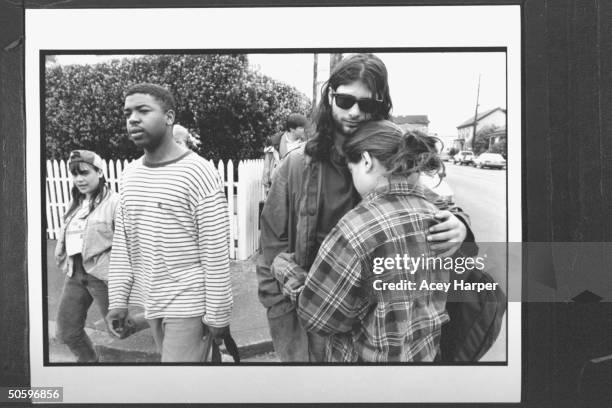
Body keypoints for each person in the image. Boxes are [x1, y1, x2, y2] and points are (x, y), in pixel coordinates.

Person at [257, 53, 474, 362]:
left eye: (367, 104)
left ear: (381, 106)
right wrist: (277, 308)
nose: (355, 112)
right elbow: (271, 244)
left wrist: (460, 225)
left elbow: (432, 206)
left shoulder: (395, 158)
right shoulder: (296, 165)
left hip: (373, 334)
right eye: (345, 100)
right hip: (307, 323)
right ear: (330, 98)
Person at [273, 121, 450, 362]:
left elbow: (318, 316)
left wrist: (286, 269)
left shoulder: (356, 228)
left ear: (366, 161)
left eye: (351, 169)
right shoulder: (438, 217)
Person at [105, 83, 233, 362]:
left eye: (143, 110)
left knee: (177, 386)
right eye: (128, 113)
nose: (132, 119)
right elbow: (124, 244)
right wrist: (118, 301)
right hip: (152, 302)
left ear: (169, 117)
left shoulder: (198, 172)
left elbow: (215, 251)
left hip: (189, 303)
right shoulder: (130, 175)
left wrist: (218, 314)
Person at [54, 149, 119, 362]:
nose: (79, 179)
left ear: (99, 172)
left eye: (85, 172)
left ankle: (164, 320)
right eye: (75, 174)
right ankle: (90, 367)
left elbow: (128, 244)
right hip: (75, 274)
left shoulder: (115, 203)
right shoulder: (76, 203)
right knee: (67, 332)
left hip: (102, 276)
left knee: (119, 330)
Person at [262, 113, 308, 194]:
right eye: (301, 128)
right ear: (292, 129)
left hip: (298, 188)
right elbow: (267, 167)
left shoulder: (306, 143)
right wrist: (267, 187)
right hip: (277, 187)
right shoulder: (275, 141)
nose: (304, 130)